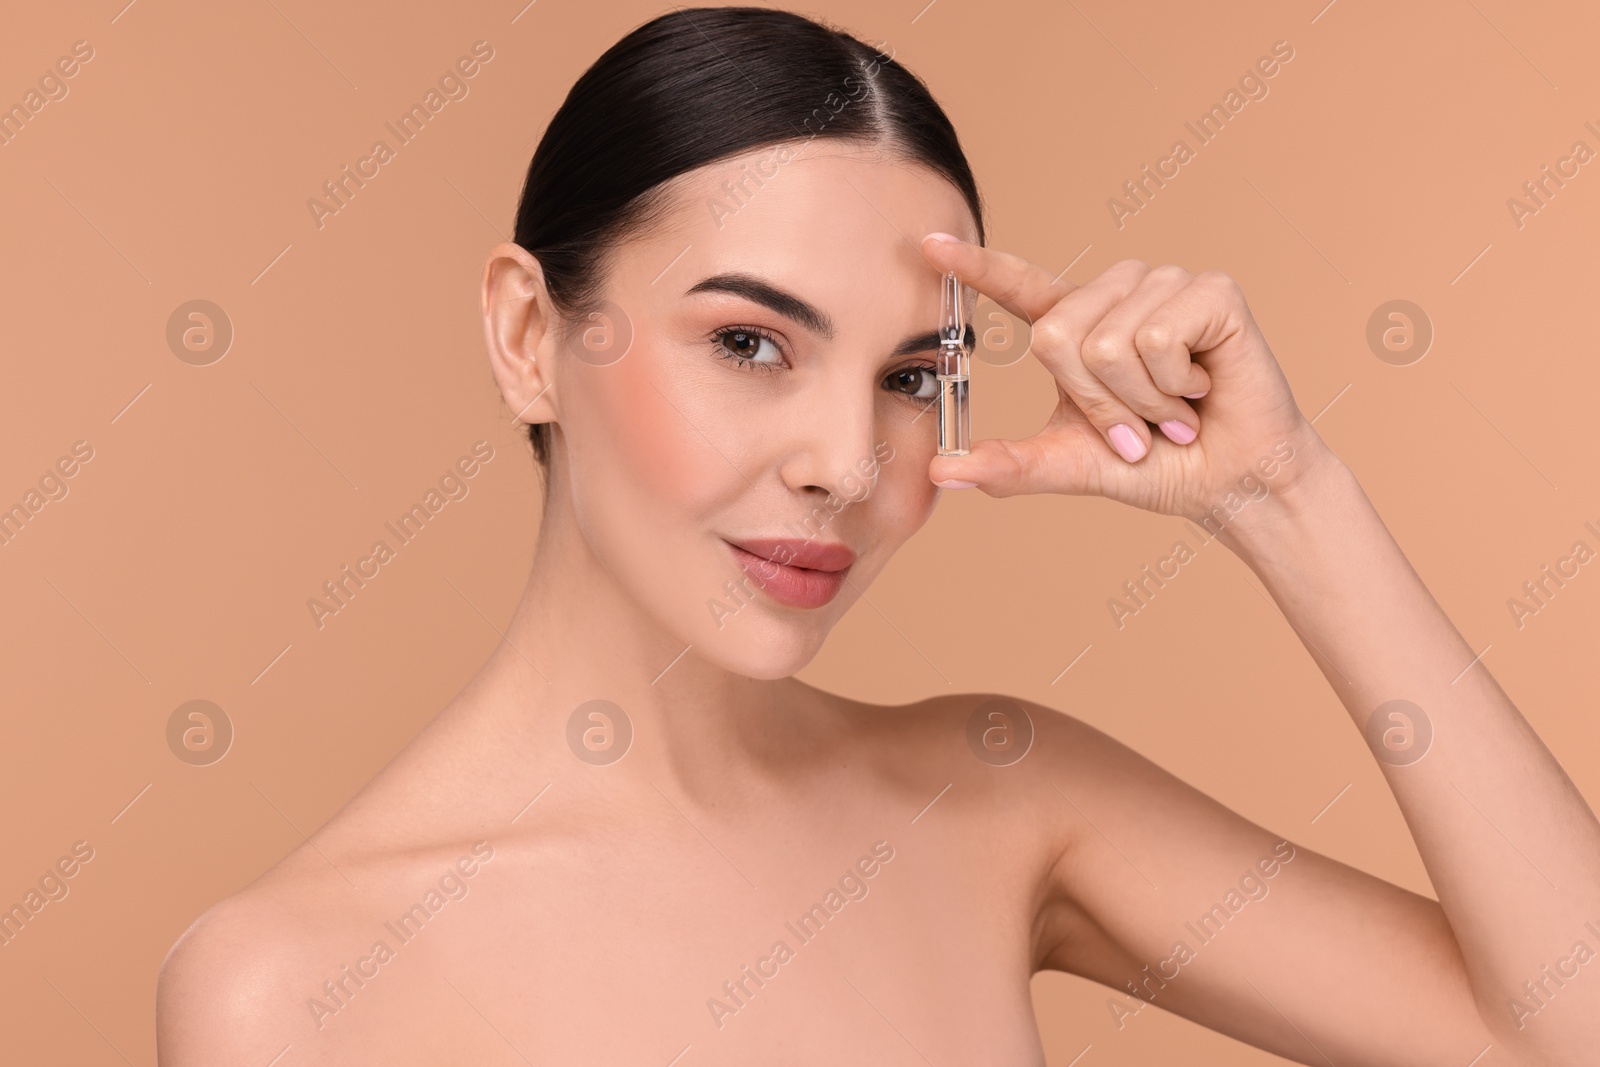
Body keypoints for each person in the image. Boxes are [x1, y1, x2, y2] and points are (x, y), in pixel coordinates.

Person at [156, 7, 1600, 1064]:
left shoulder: (993, 795)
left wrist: (1287, 494)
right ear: (533, 335)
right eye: (751, 344)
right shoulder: (290, 987)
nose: (849, 464)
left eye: (916, 380)